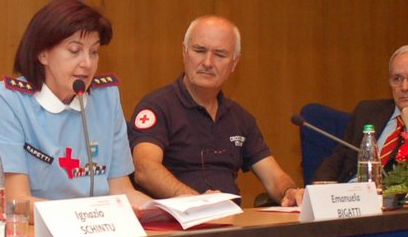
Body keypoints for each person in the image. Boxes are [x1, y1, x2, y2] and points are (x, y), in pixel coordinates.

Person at [0, 0, 147, 204]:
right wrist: (79, 217)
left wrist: (169, 212)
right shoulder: (9, 100)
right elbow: (16, 201)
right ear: (43, 54)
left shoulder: (106, 97)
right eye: (75, 51)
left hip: (100, 230)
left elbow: (122, 191)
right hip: (39, 232)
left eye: (94, 52)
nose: (87, 63)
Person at [129, 15, 303, 206]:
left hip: (230, 225)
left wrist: (289, 191)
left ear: (234, 63)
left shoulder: (240, 118)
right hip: (176, 226)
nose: (208, 62)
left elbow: (274, 177)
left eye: (220, 54)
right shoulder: (157, 106)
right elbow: (145, 169)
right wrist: (197, 202)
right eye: (199, 51)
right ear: (184, 52)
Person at [313, 44, 408, 183]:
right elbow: (335, 162)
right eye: (397, 78)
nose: (404, 87)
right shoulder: (367, 112)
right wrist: (315, 191)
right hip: (348, 198)